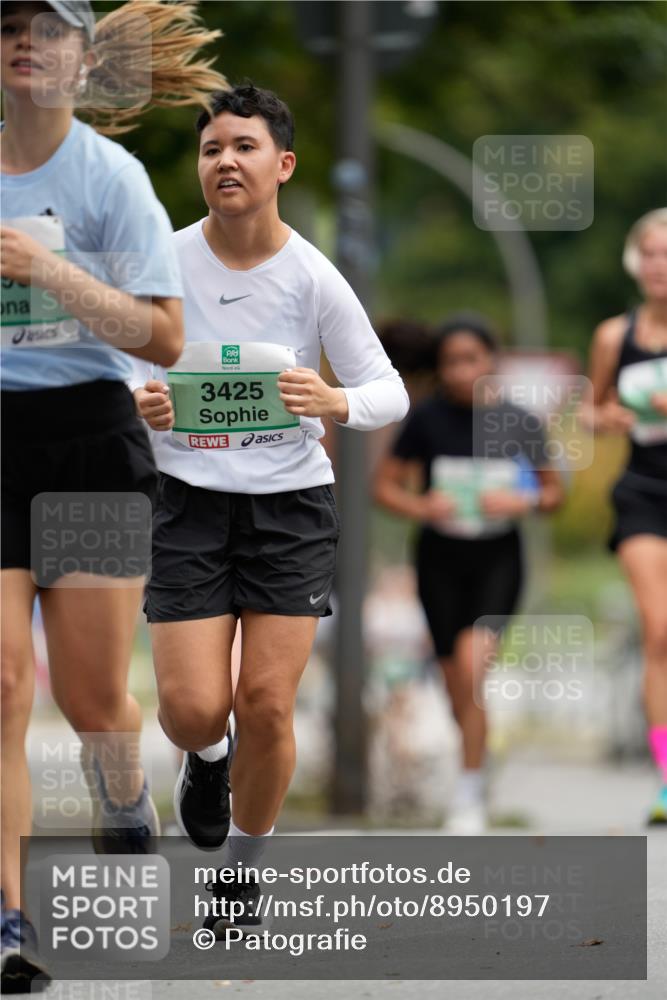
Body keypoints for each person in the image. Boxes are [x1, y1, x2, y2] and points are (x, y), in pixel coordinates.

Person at [131, 83, 408, 935]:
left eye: (243, 147)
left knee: (268, 704)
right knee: (190, 709)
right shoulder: (162, 260)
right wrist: (143, 401)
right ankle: (204, 763)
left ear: (281, 164)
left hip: (289, 508)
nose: (226, 161)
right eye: (212, 148)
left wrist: (330, 401)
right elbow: (114, 362)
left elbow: (386, 389)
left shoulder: (312, 275)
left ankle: (242, 873)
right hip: (185, 504)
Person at [0, 1, 227, 991]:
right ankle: (7, 922)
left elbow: (167, 339)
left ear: (83, 57)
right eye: (8, 24)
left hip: (89, 437)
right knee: (4, 687)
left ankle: (127, 804)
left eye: (47, 29)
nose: (24, 41)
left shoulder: (109, 178)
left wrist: (52, 272)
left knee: (93, 699)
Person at [373, 315, 564, 834]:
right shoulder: (427, 419)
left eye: (471, 359)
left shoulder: (520, 420)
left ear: (491, 359)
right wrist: (422, 507)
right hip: (439, 560)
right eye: (450, 362)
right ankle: (476, 760)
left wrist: (519, 498)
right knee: (457, 683)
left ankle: (469, 793)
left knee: (473, 669)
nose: (461, 371)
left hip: (498, 559)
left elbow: (553, 493)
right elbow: (384, 487)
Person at [584, 208, 667, 825]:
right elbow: (590, 411)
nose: (658, 265)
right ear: (635, 263)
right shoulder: (617, 335)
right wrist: (607, 417)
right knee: (658, 630)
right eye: (650, 253)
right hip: (642, 491)